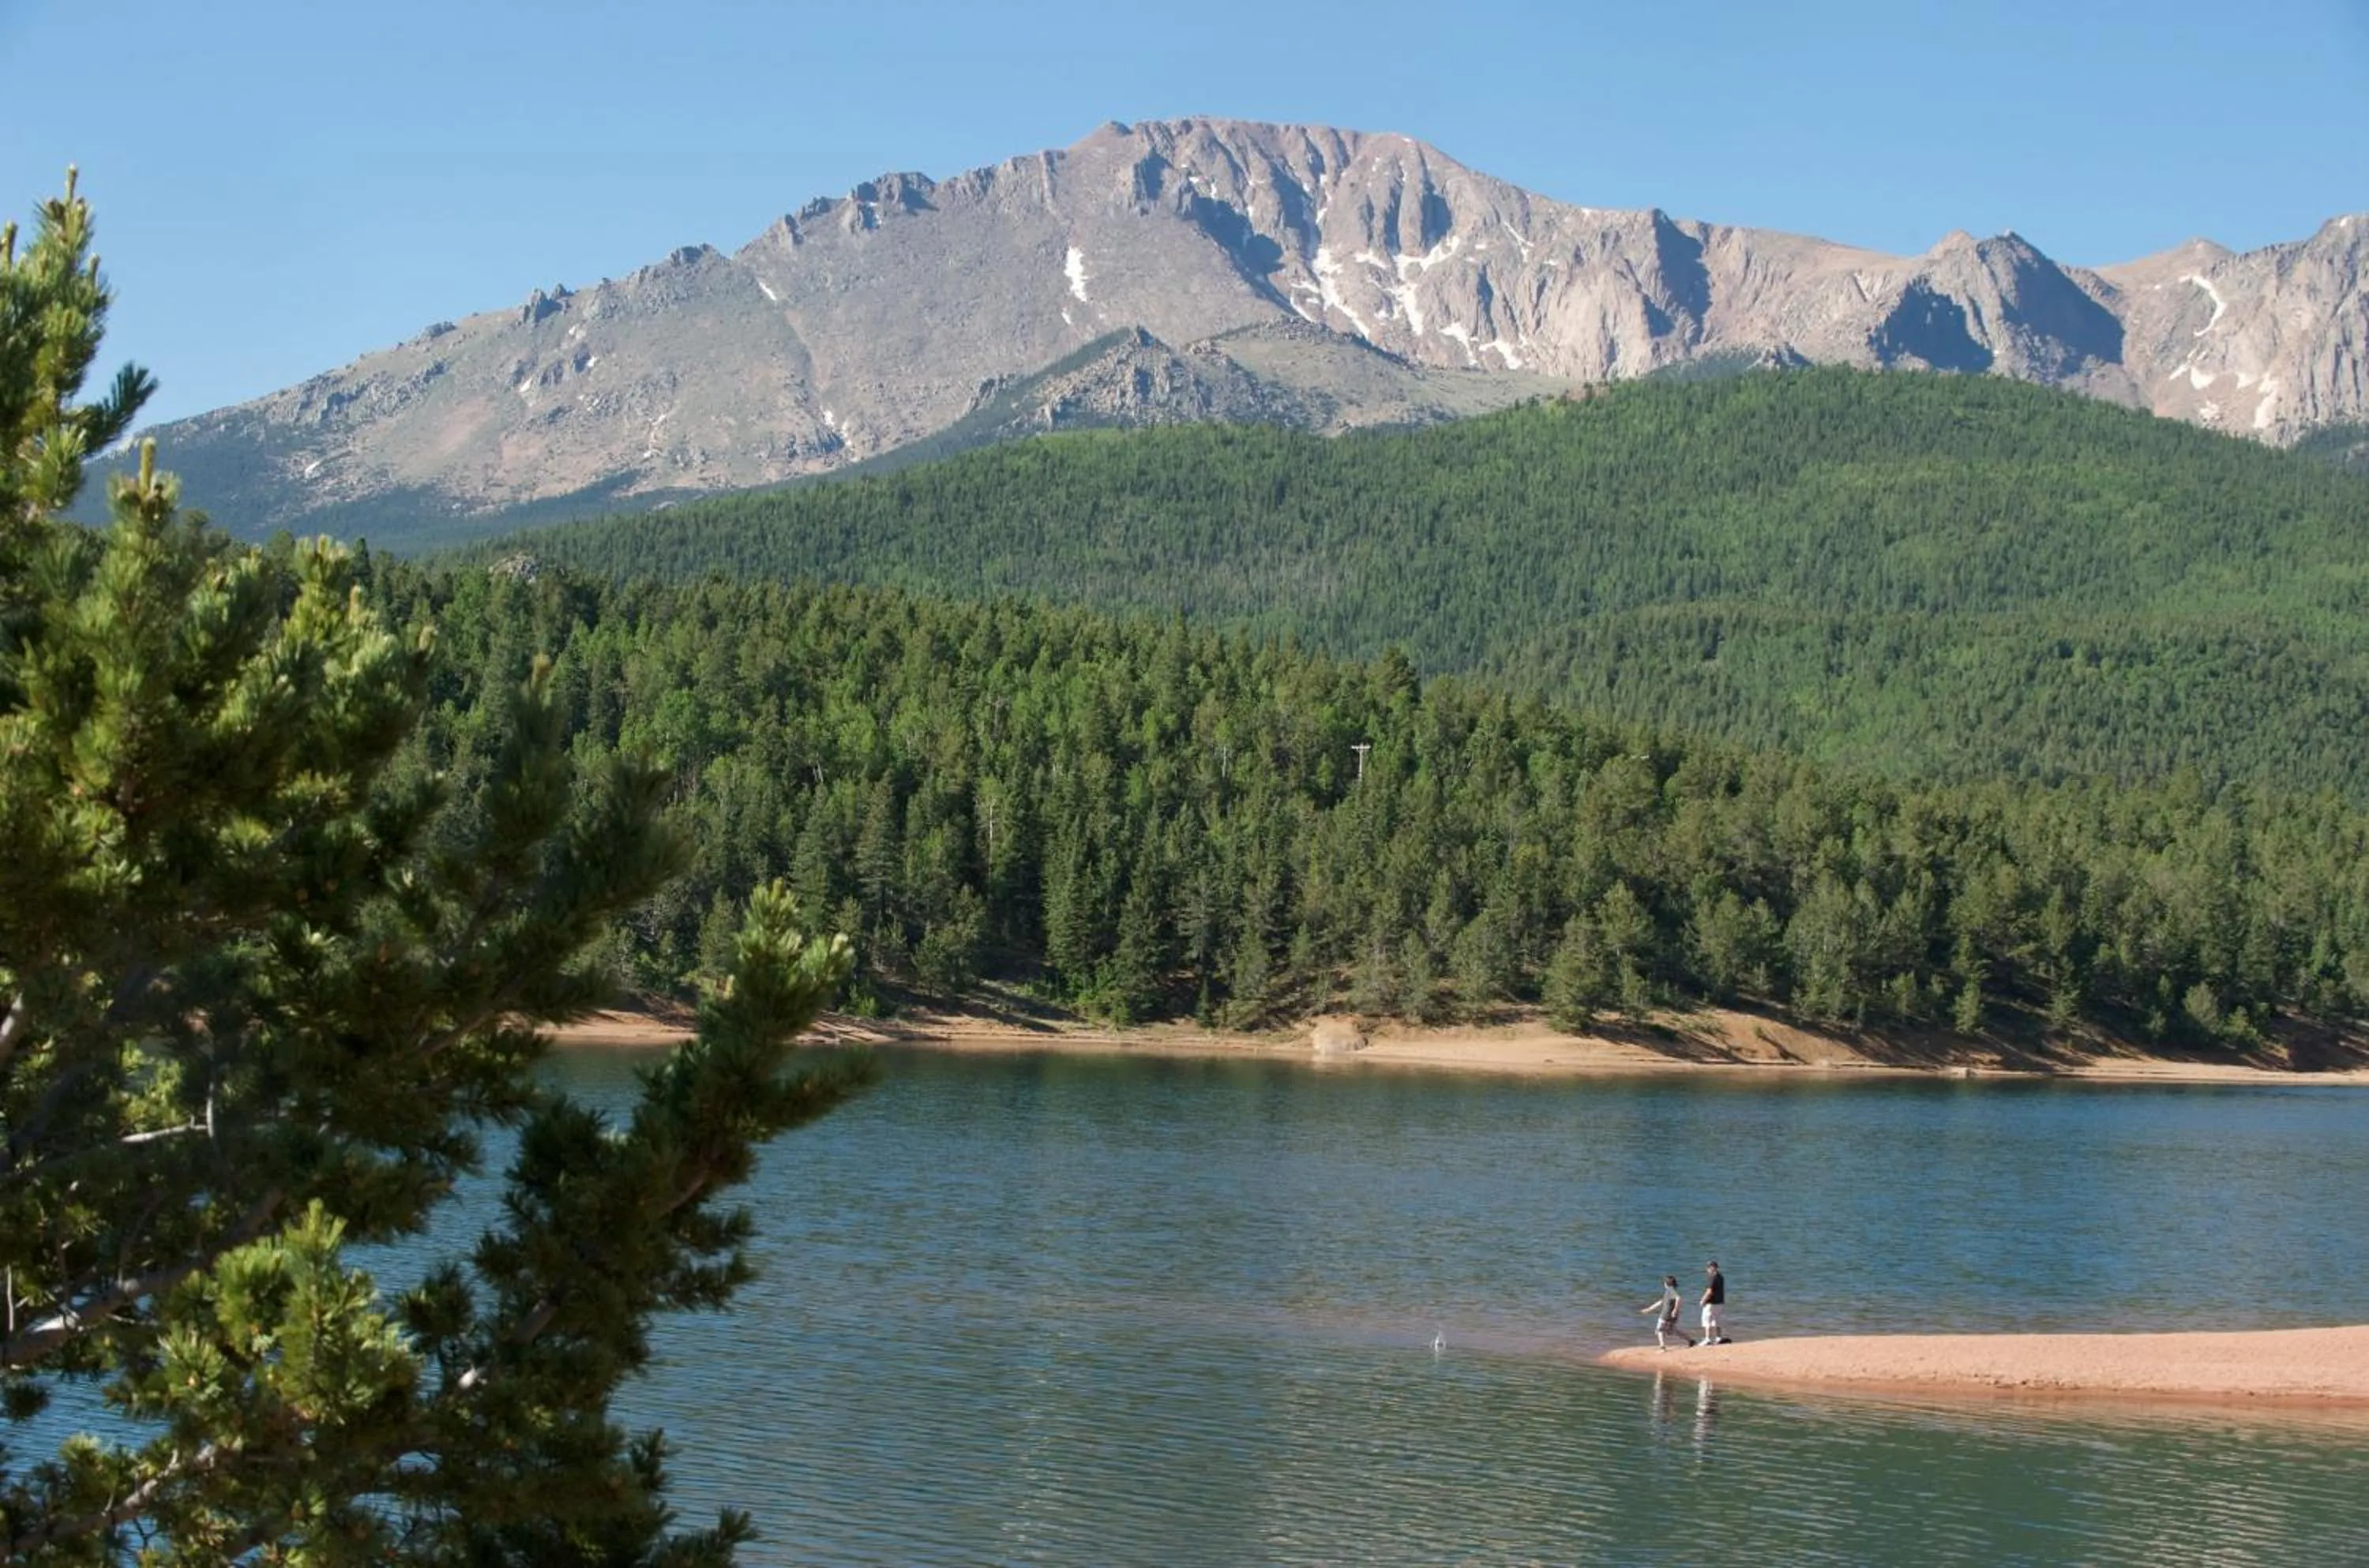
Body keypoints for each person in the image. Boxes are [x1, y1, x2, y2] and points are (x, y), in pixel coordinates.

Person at [1640, 1274, 1694, 1349]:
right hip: (1673, 1316)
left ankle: (1662, 1346)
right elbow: (1661, 1302)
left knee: (1660, 1330)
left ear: (1666, 1284)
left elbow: (1678, 1298)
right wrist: (1649, 1309)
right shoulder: (1669, 1292)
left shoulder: (1670, 1291)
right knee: (1674, 1330)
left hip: (1666, 1314)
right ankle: (1690, 1340)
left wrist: (1675, 1309)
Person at [1700, 1260, 1727, 1345]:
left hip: (1711, 1303)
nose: (1707, 1269)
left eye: (1708, 1267)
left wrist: (1703, 1300)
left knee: (1707, 1320)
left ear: (1712, 1268)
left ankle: (1707, 1339)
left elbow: (1709, 1292)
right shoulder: (1720, 1277)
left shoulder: (1712, 1277)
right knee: (1717, 1320)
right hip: (1720, 1302)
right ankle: (1719, 1338)